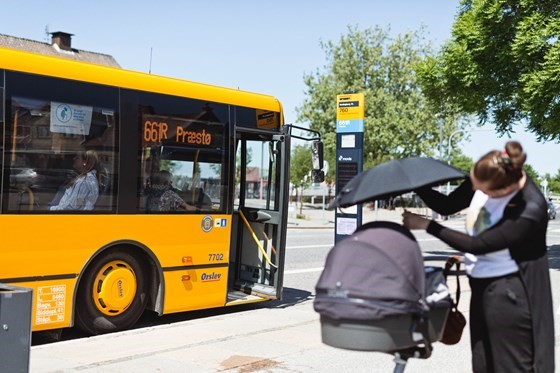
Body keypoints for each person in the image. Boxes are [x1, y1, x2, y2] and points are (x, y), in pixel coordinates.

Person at [402, 141, 554, 373]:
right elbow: (447, 204)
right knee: (482, 364)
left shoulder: (529, 209)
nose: (477, 192)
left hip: (509, 296)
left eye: (483, 190)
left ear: (503, 190)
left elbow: (479, 245)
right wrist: (415, 184)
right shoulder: (489, 177)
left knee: (509, 367)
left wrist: (426, 225)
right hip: (483, 289)